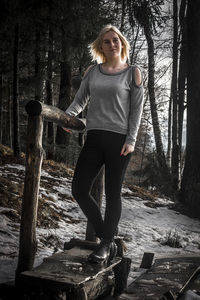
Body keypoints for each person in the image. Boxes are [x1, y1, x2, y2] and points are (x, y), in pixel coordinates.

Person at [64, 24, 144, 264]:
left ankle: (105, 245)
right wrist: (67, 117)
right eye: (107, 41)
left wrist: (131, 140)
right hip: (95, 137)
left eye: (115, 40)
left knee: (112, 193)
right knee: (79, 189)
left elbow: (137, 111)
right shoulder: (93, 71)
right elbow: (80, 100)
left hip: (120, 141)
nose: (112, 44)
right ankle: (107, 238)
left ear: (122, 43)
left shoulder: (133, 73)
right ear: (101, 46)